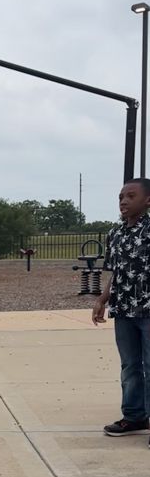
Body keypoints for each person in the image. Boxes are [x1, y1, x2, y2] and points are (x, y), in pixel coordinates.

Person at [93, 177, 150, 439]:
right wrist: (103, 300)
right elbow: (116, 273)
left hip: (148, 310)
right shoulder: (115, 234)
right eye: (120, 197)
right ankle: (134, 416)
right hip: (124, 310)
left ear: (147, 200)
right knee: (130, 365)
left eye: (130, 196)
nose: (124, 201)